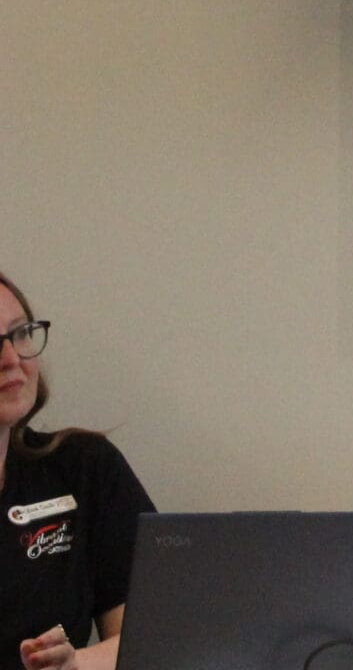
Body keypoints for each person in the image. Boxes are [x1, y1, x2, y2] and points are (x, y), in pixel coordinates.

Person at [0, 273, 151, 670]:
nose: (11, 360)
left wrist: (76, 665)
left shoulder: (85, 468)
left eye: (20, 335)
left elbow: (150, 636)